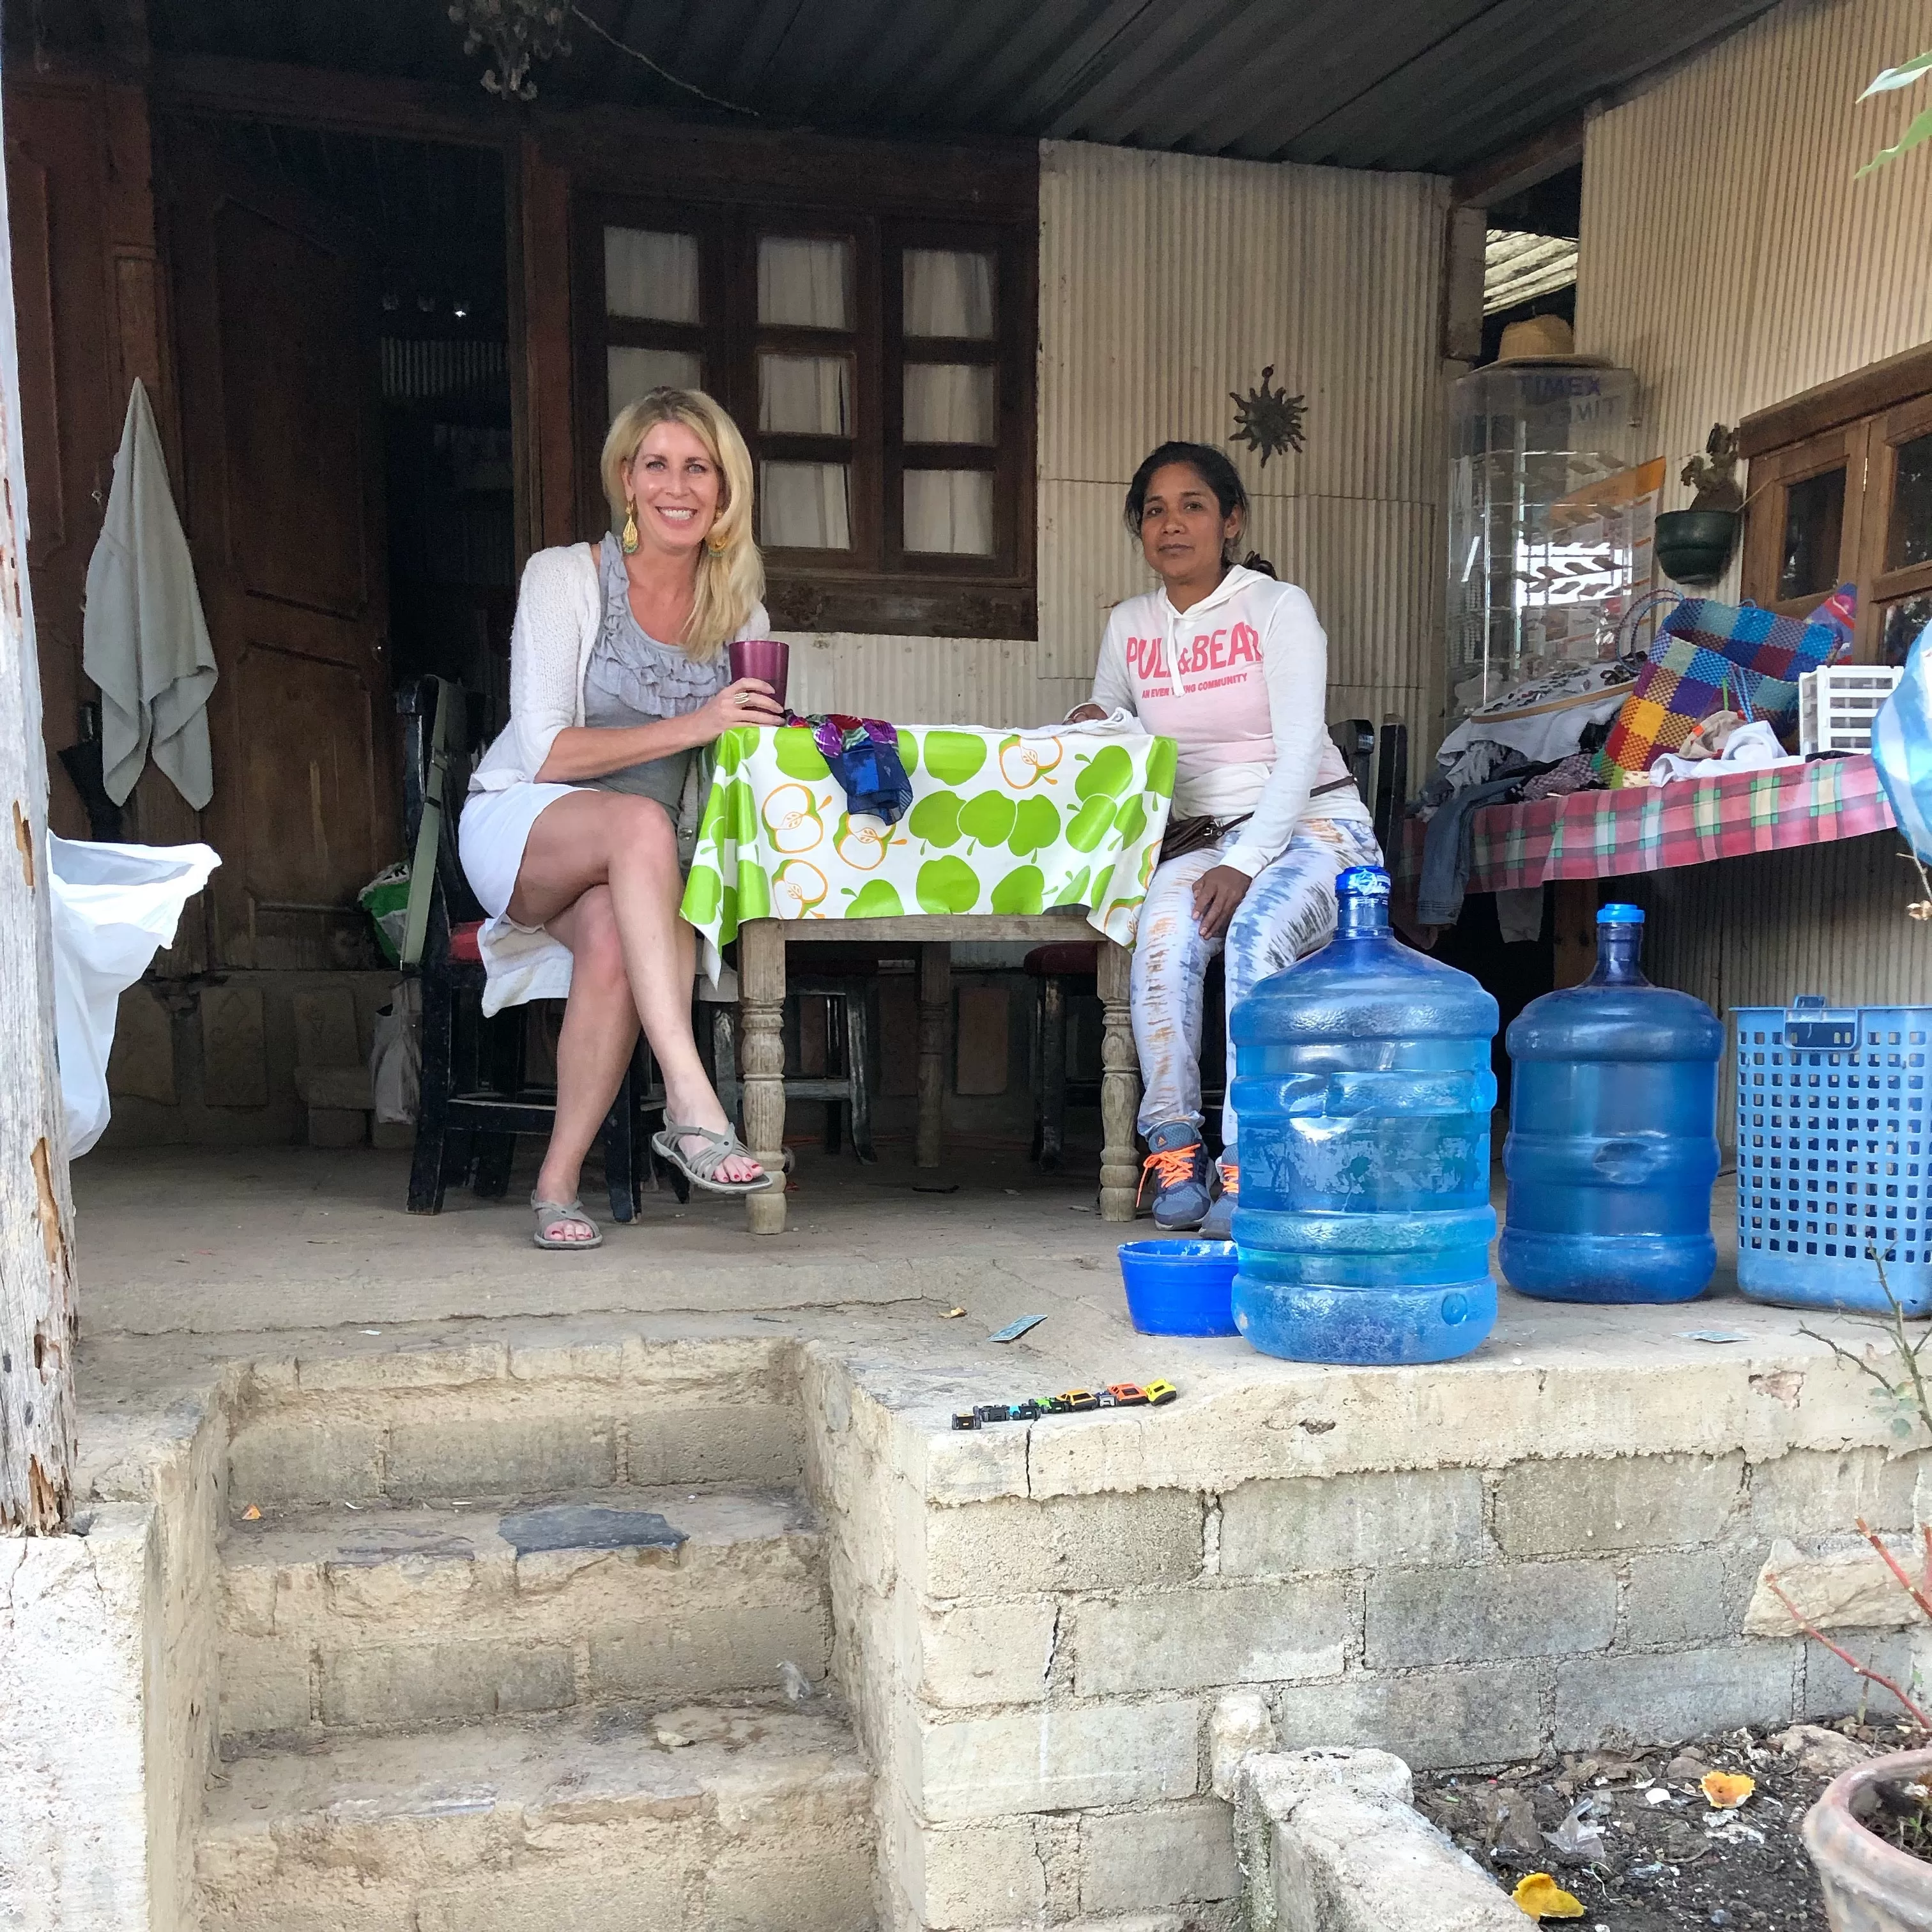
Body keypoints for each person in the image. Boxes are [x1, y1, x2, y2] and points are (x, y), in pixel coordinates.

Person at [459, 388, 785, 1249]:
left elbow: (733, 766)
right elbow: (545, 751)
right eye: (657, 465)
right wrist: (701, 722)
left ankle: (556, 1186)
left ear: (724, 490)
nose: (678, 485)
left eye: (698, 467)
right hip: (524, 824)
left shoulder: (738, 615)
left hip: (635, 860)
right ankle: (689, 1096)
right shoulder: (565, 576)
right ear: (626, 482)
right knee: (639, 824)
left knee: (613, 935)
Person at [1069, 441, 1381, 1235]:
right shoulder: (1129, 623)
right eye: (1154, 510)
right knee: (1162, 936)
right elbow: (1112, 713)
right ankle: (1174, 1146)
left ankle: (1252, 1157)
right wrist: (1091, 723)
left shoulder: (1278, 609)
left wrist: (1247, 865)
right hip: (1204, 837)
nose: (1172, 525)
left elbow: (1301, 744)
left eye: (1193, 505)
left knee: (1251, 938)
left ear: (1231, 520)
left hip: (1316, 827)